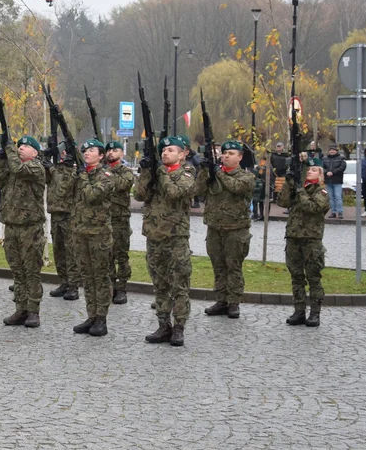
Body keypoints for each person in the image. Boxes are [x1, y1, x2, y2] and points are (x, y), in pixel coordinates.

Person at [135, 136, 195, 347]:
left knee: (179, 284)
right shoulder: (156, 173)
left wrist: (161, 172)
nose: (165, 153)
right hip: (154, 236)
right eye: (163, 151)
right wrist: (146, 172)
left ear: (182, 154)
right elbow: (139, 195)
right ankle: (163, 325)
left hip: (176, 237)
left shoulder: (186, 173)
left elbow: (175, 192)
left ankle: (179, 327)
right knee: (159, 284)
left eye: (170, 150)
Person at [195, 140, 256, 319]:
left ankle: (234, 302)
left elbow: (236, 187)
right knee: (218, 266)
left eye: (231, 154)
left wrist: (218, 173)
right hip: (215, 228)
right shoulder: (215, 174)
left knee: (233, 266)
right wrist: (204, 171)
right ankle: (221, 300)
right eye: (224, 153)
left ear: (240, 157)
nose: (226, 156)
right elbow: (198, 190)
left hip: (236, 229)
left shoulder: (246, 177)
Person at [0, 135, 47, 328]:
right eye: (19, 145)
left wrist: (9, 149)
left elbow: (19, 169)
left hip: (30, 228)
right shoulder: (12, 166)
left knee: (31, 270)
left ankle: (33, 311)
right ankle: (20, 308)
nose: (21, 148)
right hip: (11, 226)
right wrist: (1, 160)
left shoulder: (35, 167)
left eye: (26, 146)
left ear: (35, 152)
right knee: (17, 270)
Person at [71, 139, 115, 336]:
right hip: (80, 232)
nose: (87, 153)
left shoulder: (105, 176)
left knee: (100, 277)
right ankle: (91, 315)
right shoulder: (82, 174)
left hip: (98, 234)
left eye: (91, 150)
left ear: (101, 155)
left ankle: (101, 318)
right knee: (87, 277)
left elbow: (92, 195)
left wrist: (82, 176)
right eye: (85, 150)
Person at [278, 156, 329, 327]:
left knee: (313, 277)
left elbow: (312, 207)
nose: (309, 172)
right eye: (308, 169)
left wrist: (299, 189)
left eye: (314, 170)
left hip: (311, 240)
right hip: (293, 237)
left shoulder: (321, 192)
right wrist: (288, 183)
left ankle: (315, 313)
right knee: (296, 276)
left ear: (320, 175)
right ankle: (299, 311)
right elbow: (282, 201)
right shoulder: (299, 188)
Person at [45, 142, 80, 301]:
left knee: (70, 251)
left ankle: (73, 286)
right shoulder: (57, 168)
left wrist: (52, 169)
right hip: (55, 214)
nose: (63, 154)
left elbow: (63, 188)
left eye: (65, 152)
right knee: (58, 250)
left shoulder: (74, 170)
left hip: (69, 215)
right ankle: (64, 282)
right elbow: (46, 178)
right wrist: (45, 158)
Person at [104, 140, 134, 304]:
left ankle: (122, 288)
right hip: (104, 219)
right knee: (107, 255)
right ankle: (110, 286)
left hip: (120, 219)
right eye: (108, 150)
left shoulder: (126, 171)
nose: (111, 152)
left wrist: (106, 173)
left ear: (122, 153)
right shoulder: (102, 169)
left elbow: (121, 185)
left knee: (121, 256)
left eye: (115, 150)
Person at [322, 144, 346, 219]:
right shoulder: (324, 158)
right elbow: (321, 167)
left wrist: (333, 172)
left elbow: (342, 167)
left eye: (333, 150)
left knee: (338, 197)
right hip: (328, 180)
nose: (332, 151)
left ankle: (340, 212)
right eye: (330, 150)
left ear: (336, 151)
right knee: (330, 197)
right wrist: (326, 172)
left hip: (337, 180)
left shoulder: (341, 158)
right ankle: (333, 212)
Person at [252, 156, 267, 221]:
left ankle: (259, 214)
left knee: (259, 201)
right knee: (256, 201)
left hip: (261, 187)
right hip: (258, 187)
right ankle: (257, 214)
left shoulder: (264, 169)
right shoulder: (257, 169)